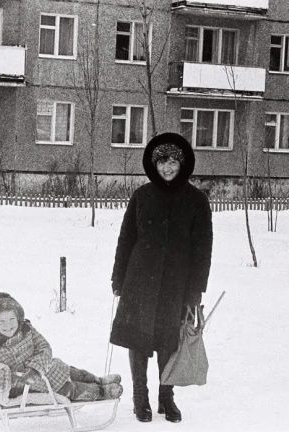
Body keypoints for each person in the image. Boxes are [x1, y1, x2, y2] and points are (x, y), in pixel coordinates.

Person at [110, 132, 213, 423]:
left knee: (171, 341)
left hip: (176, 285)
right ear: (153, 164)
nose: (167, 168)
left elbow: (203, 250)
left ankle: (166, 398)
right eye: (161, 162)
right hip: (139, 281)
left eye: (172, 162)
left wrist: (195, 291)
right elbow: (126, 239)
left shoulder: (196, 200)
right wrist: (118, 277)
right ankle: (139, 398)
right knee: (138, 340)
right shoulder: (141, 196)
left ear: (182, 164)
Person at [0, 292, 123, 403]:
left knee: (72, 371)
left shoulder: (26, 329)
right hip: (26, 385)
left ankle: (98, 380)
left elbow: (44, 347)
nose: (8, 325)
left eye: (12, 319)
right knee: (70, 389)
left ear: (18, 318)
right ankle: (102, 392)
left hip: (44, 369)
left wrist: (35, 368)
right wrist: (9, 377)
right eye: (2, 321)